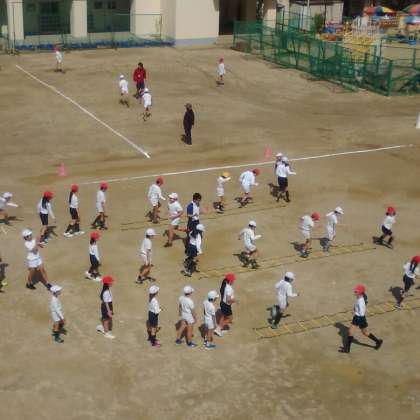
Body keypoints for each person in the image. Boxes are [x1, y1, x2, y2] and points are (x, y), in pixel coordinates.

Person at [339, 284, 383, 353]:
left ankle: (378, 341)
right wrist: (355, 311)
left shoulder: (361, 302)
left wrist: (356, 314)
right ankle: (347, 349)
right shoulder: (359, 297)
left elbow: (362, 313)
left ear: (360, 293)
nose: (355, 292)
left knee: (364, 332)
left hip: (360, 318)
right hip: (357, 317)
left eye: (356, 291)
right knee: (350, 332)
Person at [215, 273, 236, 337]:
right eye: (233, 280)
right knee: (230, 319)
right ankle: (218, 329)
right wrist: (235, 300)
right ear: (230, 281)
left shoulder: (224, 285)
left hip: (223, 303)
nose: (234, 281)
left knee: (223, 316)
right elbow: (228, 300)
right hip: (226, 305)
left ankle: (220, 329)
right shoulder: (229, 289)